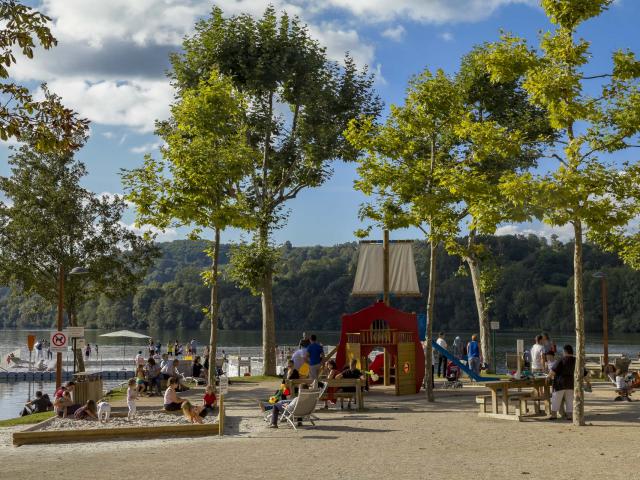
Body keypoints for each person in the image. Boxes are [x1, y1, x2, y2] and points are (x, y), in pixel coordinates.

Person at [548, 344, 590, 420]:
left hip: (560, 383)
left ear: (565, 352)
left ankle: (554, 415)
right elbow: (584, 373)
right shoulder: (577, 361)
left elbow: (553, 371)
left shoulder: (561, 360)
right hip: (571, 383)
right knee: (570, 400)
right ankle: (569, 416)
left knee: (556, 399)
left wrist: (548, 377)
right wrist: (588, 382)